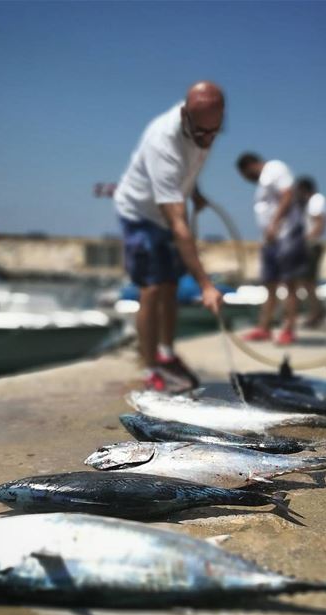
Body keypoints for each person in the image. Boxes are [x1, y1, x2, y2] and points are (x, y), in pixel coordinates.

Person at [113, 81, 224, 392]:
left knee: (171, 285)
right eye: (201, 133)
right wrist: (205, 284)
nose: (207, 140)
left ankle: (167, 353)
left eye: (213, 133)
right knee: (151, 287)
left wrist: (194, 191)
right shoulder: (163, 140)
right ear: (186, 116)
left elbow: (188, 168)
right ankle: (150, 368)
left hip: (171, 206)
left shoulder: (205, 126)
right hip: (141, 213)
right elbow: (177, 222)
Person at [236, 152, 306, 345]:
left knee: (289, 284)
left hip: (286, 235)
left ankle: (289, 329)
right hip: (270, 240)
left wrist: (275, 223)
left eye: (245, 175)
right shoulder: (264, 181)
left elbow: (288, 194)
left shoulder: (275, 168)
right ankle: (264, 327)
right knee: (269, 284)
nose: (247, 179)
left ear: (249, 166)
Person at [295, 177, 326, 328]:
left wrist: (307, 240)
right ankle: (317, 312)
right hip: (311, 245)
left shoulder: (316, 200)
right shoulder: (311, 202)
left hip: (312, 246)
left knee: (308, 282)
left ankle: (316, 313)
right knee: (307, 282)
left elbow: (320, 222)